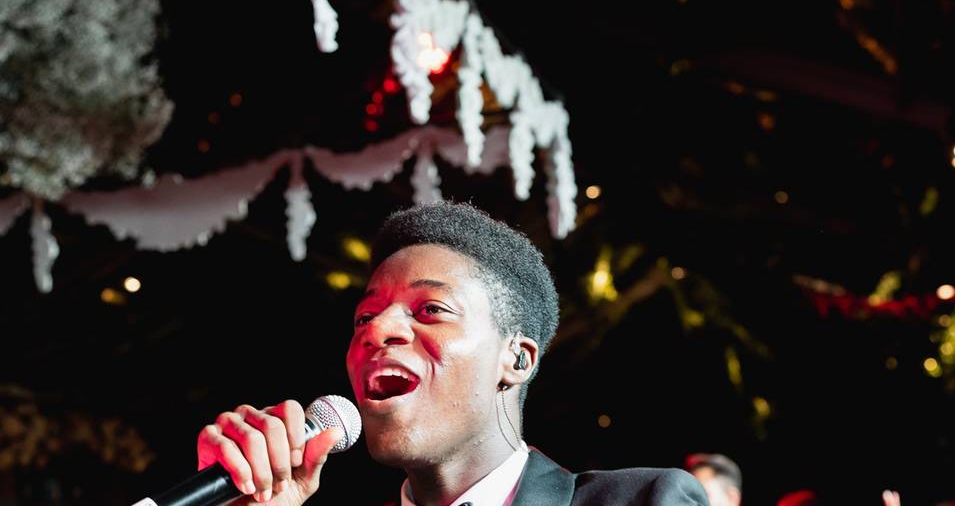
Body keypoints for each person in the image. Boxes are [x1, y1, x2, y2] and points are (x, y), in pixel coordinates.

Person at [195, 201, 709, 505]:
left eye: (430, 309)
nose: (377, 332)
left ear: (518, 360)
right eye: (364, 318)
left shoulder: (643, 501)